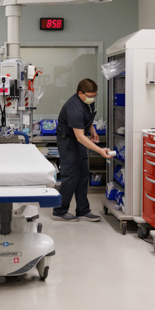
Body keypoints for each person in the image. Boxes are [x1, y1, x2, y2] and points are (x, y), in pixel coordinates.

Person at [52, 78, 113, 222]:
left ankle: (83, 210)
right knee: (71, 175)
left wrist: (92, 130)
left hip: (77, 138)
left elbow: (87, 119)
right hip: (68, 140)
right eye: (89, 95)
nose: (92, 98)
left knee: (83, 174)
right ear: (80, 93)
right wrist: (100, 150)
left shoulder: (87, 102)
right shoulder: (75, 107)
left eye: (94, 95)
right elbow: (79, 137)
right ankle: (59, 211)